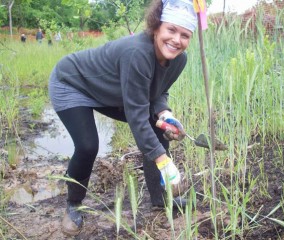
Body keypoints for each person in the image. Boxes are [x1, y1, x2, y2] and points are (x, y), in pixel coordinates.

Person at [48, 0, 197, 236]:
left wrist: (165, 113)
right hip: (72, 83)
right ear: (157, 27)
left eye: (185, 35)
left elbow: (158, 91)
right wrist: (163, 161)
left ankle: (160, 199)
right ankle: (73, 205)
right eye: (171, 30)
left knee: (157, 126)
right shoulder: (137, 52)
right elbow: (136, 116)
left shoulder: (179, 59)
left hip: (112, 90)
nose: (177, 40)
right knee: (87, 146)